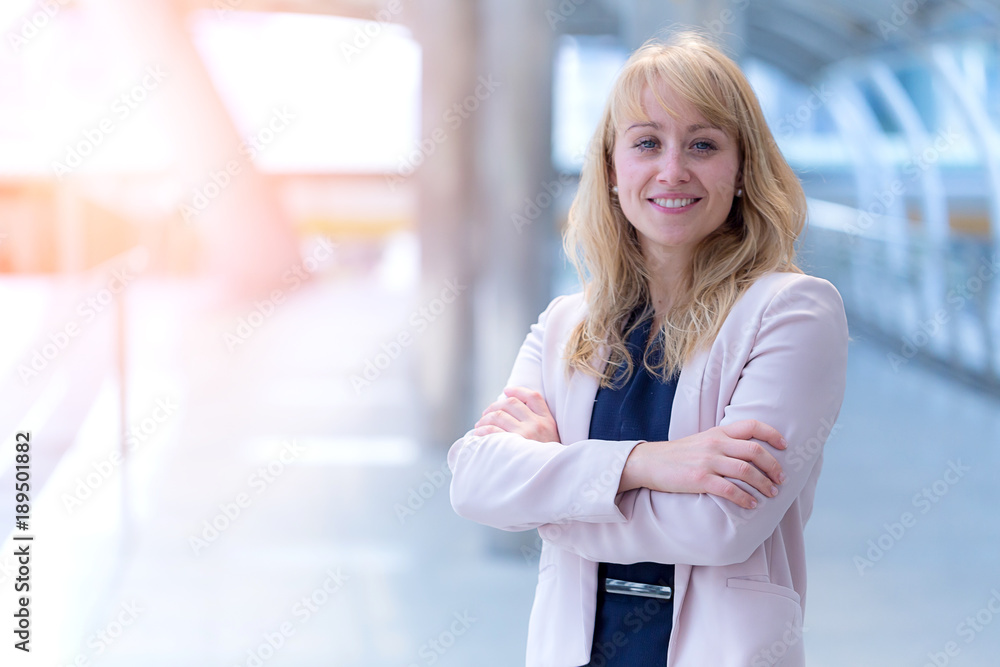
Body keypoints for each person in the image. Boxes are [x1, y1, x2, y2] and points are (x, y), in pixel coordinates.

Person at [447, 30, 848, 667]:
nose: (672, 170)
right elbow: (474, 482)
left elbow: (719, 526)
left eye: (703, 145)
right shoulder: (564, 326)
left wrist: (551, 487)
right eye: (646, 143)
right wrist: (650, 464)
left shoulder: (792, 313)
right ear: (612, 170)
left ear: (742, 169)